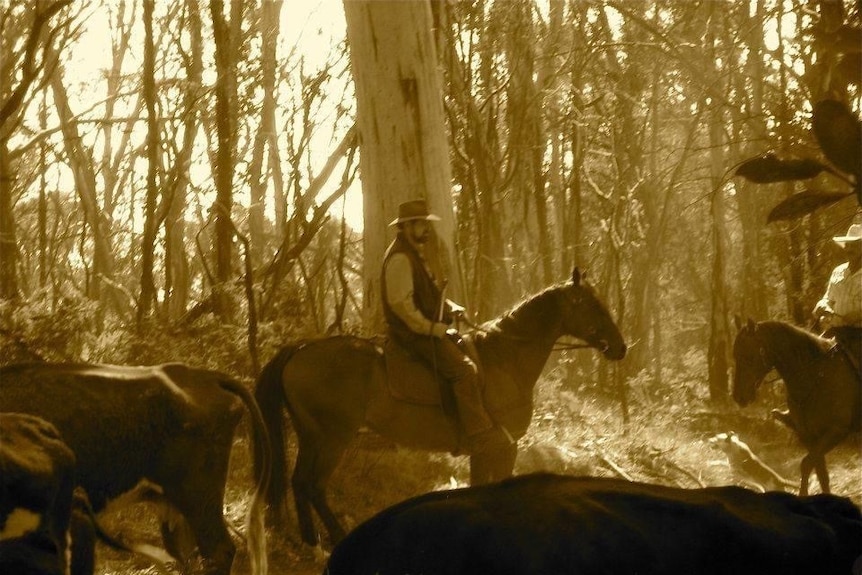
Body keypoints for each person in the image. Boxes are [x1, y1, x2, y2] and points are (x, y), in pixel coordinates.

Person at [381, 199, 509, 455]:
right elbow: (402, 305)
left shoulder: (413, 253)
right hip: (411, 335)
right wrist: (431, 328)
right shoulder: (400, 259)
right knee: (464, 371)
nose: (426, 229)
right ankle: (477, 436)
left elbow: (425, 294)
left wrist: (450, 307)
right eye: (420, 224)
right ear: (406, 227)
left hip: (424, 329)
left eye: (427, 224)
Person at [774, 222, 862, 430]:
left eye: (855, 245)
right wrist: (822, 309)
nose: (850, 250)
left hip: (859, 332)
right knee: (805, 356)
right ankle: (797, 411)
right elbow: (826, 298)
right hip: (835, 330)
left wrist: (853, 316)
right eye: (848, 246)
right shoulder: (838, 272)